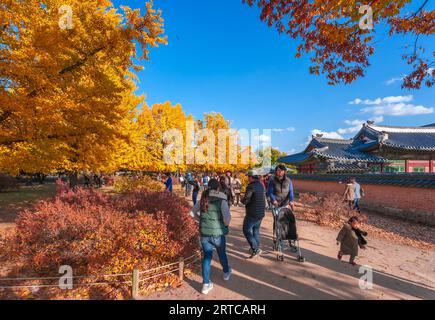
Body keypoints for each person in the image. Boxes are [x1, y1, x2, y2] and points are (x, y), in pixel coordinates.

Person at [191, 179, 232, 295]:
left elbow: (192, 213)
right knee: (222, 253)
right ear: (218, 188)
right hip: (218, 234)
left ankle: (205, 284)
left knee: (206, 258)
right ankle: (226, 273)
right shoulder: (222, 200)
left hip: (204, 234)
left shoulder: (203, 199)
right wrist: (224, 224)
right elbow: (227, 219)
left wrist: (201, 220)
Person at [241, 171, 266, 259]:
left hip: (252, 213)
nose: (248, 178)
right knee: (256, 230)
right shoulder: (261, 185)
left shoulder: (251, 186)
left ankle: (255, 249)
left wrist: (242, 199)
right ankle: (256, 248)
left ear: (251, 177)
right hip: (260, 213)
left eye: (248, 177)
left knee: (246, 230)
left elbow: (246, 199)